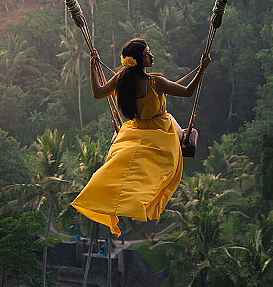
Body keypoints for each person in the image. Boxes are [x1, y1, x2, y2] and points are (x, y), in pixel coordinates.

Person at [71, 38, 211, 236]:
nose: (151, 56)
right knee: (183, 143)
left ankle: (110, 197)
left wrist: (92, 67)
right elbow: (188, 92)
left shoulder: (121, 80)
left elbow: (98, 93)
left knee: (121, 167)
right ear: (137, 60)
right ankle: (138, 201)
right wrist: (202, 69)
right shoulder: (156, 82)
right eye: (147, 54)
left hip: (134, 129)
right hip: (162, 128)